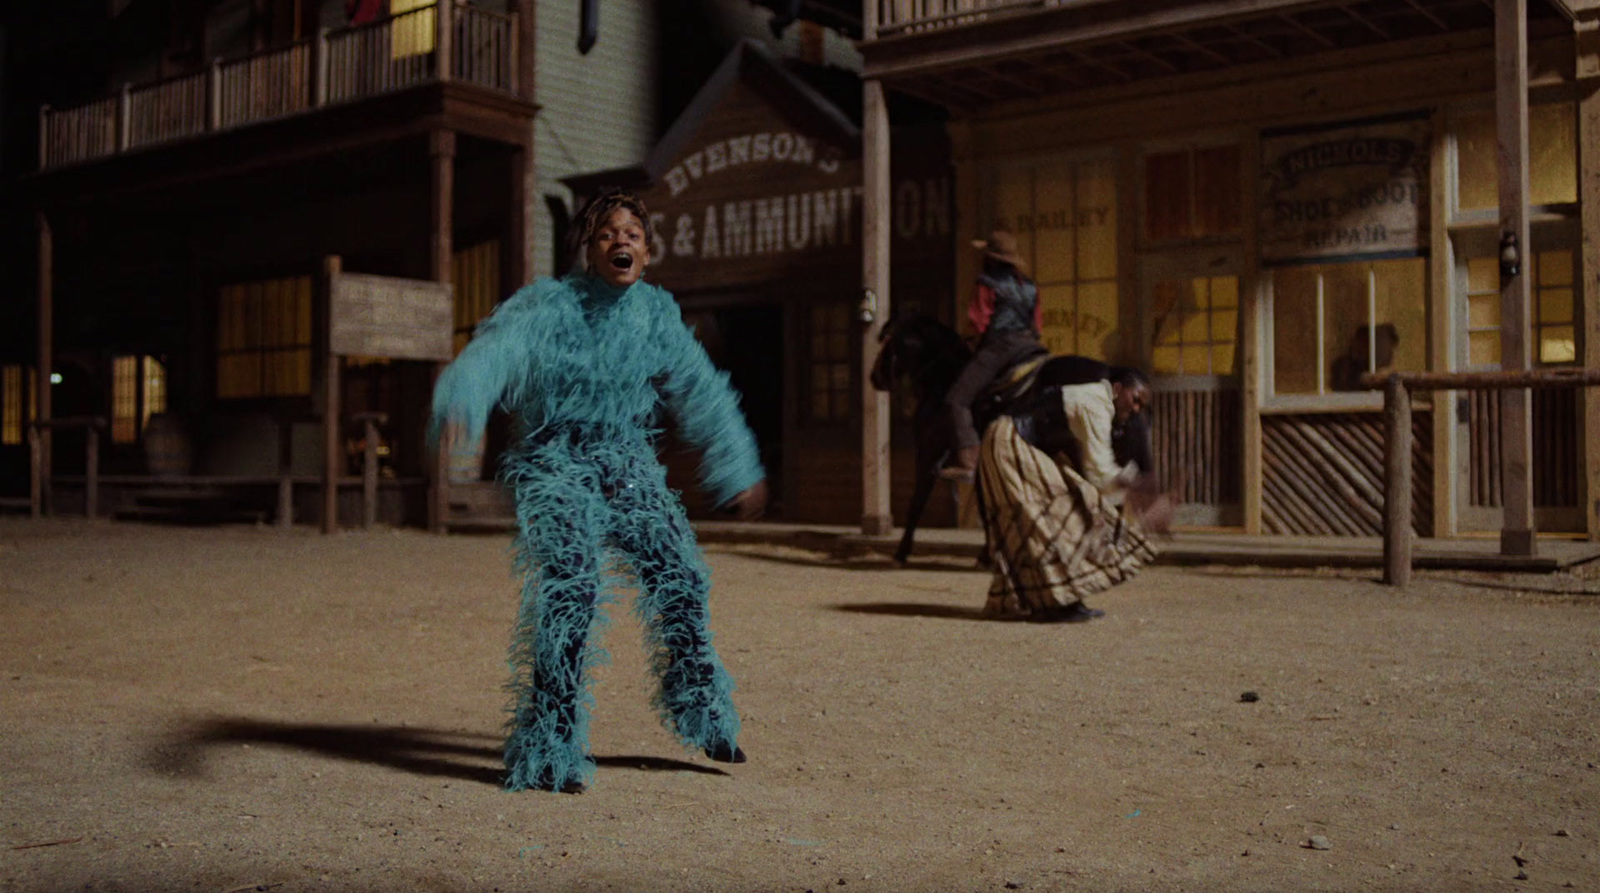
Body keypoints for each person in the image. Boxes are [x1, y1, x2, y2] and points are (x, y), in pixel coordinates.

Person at [430, 188, 768, 793]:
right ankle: (550, 745)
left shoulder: (656, 315)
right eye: (608, 233)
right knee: (573, 590)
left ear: (647, 252)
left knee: (682, 573)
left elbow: (702, 390)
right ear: (588, 249)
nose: (621, 241)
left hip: (626, 459)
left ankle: (702, 709)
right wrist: (462, 398)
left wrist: (737, 468)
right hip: (553, 459)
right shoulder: (547, 306)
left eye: (632, 235)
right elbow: (494, 352)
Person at [977, 367, 1167, 622]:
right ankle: (1052, 601)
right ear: (1118, 389)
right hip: (1011, 441)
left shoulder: (1098, 404)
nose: (1136, 409)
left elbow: (1095, 474)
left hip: (1022, 443)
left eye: (1141, 406)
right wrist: (1137, 485)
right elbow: (1099, 471)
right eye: (1135, 399)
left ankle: (1061, 598)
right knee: (1051, 517)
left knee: (1065, 513)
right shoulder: (1096, 403)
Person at [941, 230, 1045, 481]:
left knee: (957, 400)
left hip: (1001, 347)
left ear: (990, 258)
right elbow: (1038, 324)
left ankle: (969, 461)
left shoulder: (987, 283)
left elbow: (978, 323)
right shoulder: (1030, 286)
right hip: (1032, 347)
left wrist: (970, 340)